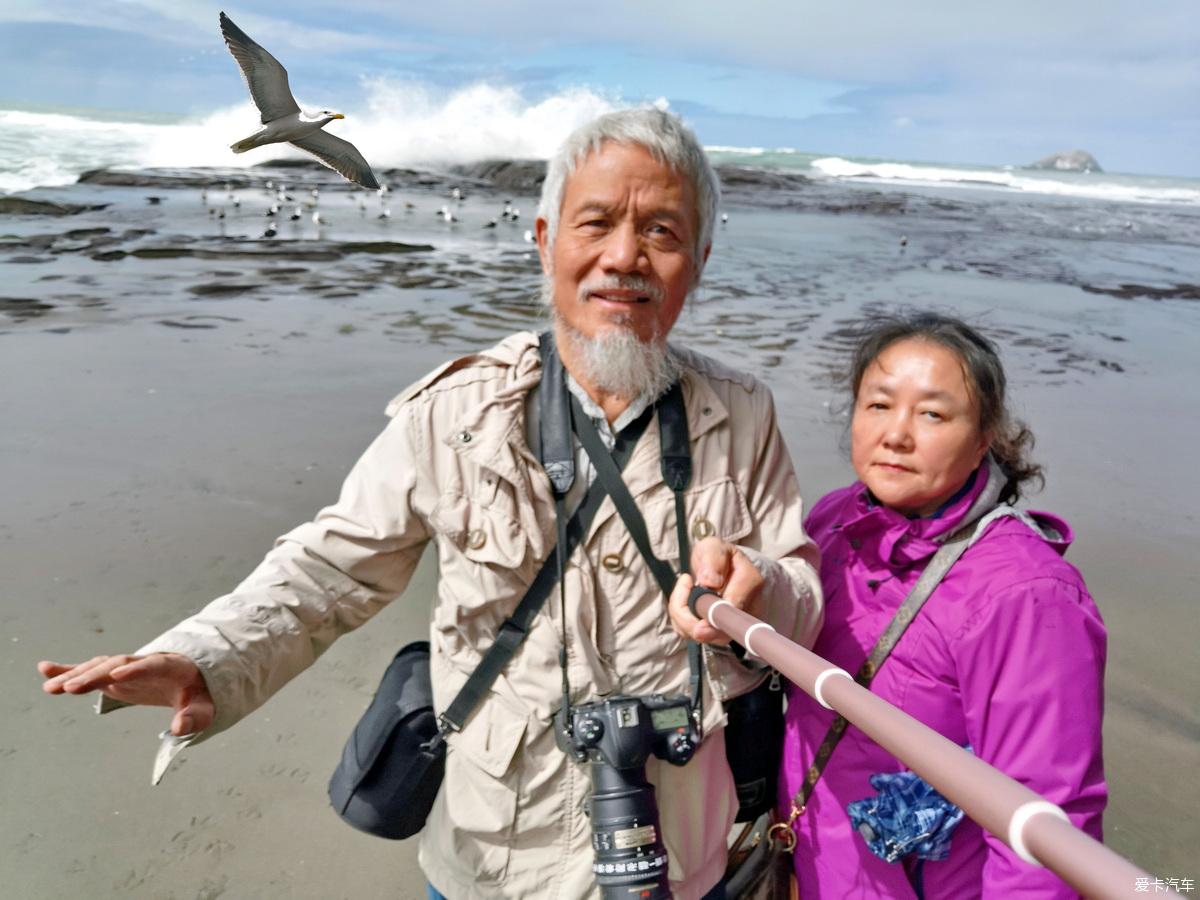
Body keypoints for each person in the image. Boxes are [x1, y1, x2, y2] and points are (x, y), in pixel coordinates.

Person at [38, 107, 824, 900]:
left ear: (701, 256)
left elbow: (802, 590)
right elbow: (328, 569)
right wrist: (209, 659)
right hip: (494, 858)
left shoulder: (743, 413)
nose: (625, 257)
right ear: (547, 240)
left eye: (661, 231)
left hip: (684, 854)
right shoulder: (455, 412)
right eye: (597, 224)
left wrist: (762, 587)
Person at [775, 312, 1106, 898]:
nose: (896, 434)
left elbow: (1047, 823)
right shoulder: (835, 522)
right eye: (878, 405)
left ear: (984, 438)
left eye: (931, 413)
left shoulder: (1026, 594)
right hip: (816, 867)